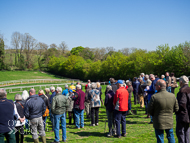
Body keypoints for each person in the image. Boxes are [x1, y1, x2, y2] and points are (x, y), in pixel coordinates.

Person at [176, 75, 190, 143]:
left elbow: (182, 104)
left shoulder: (182, 91)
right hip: (188, 114)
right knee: (187, 131)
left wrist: (177, 111)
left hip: (183, 115)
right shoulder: (189, 89)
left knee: (180, 132)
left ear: (181, 82)